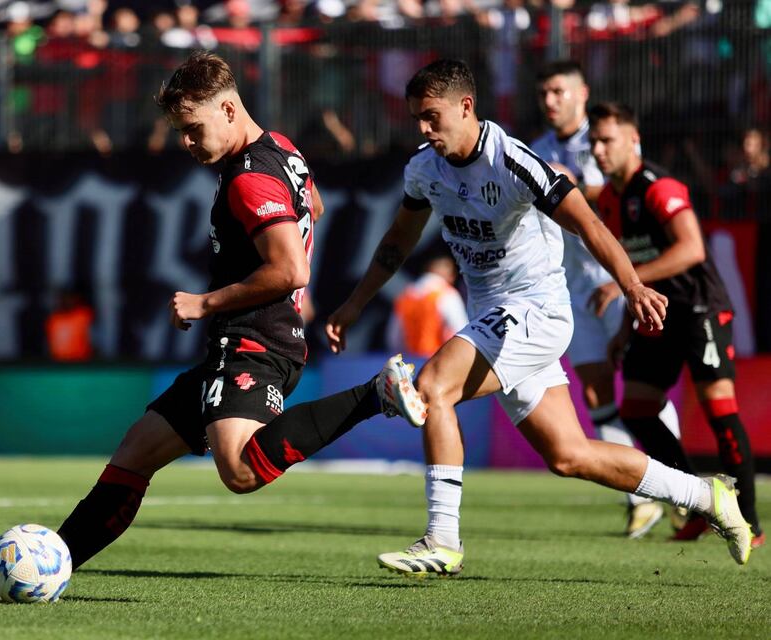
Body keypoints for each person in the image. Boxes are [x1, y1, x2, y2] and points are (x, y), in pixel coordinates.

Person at [0, 51, 400, 601]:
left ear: (230, 109)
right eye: (180, 133)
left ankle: (373, 395)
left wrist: (206, 302)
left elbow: (290, 268)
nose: (187, 144)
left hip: (255, 341)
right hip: (244, 340)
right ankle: (44, 574)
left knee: (239, 469)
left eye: (193, 129)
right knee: (135, 453)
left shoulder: (248, 179)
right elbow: (314, 204)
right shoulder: (282, 148)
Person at [325, 58, 753, 576]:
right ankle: (709, 497)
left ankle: (442, 540)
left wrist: (632, 284)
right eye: (417, 117)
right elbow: (397, 242)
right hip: (495, 318)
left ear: (466, 106)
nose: (423, 128)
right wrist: (352, 306)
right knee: (570, 455)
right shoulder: (423, 169)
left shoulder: (513, 161)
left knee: (434, 385)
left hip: (537, 311)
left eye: (432, 116)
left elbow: (589, 224)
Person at [587, 101, 764, 548]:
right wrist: (626, 329)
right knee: (638, 409)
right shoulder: (609, 199)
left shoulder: (658, 186)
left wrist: (622, 286)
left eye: (607, 140)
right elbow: (642, 261)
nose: (599, 150)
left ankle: (751, 521)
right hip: (660, 314)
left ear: (633, 140)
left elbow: (691, 250)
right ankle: (701, 502)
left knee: (718, 405)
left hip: (699, 308)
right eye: (593, 142)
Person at [532, 60, 682, 538]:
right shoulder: (534, 150)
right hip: (573, 287)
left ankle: (678, 482)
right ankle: (639, 496)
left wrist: (567, 178)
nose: (551, 100)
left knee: (643, 385)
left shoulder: (602, 141)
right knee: (596, 390)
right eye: (544, 92)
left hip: (621, 276)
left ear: (581, 93)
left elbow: (606, 190)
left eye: (559, 90)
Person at [386, 254, 468, 358]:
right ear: (449, 275)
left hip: (409, 362)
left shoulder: (405, 296)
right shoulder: (446, 293)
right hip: (436, 362)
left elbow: (394, 338)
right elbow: (460, 331)